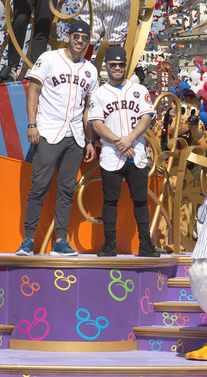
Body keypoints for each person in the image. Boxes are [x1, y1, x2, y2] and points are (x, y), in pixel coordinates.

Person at [16, 19, 98, 257]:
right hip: (49, 130)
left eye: (84, 39)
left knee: (66, 189)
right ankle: (28, 240)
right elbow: (33, 89)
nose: (80, 42)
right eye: (76, 37)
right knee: (39, 186)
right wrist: (31, 124)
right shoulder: (50, 58)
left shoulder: (90, 70)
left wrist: (90, 140)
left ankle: (60, 241)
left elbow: (88, 108)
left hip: (75, 135)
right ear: (68, 36)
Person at [87, 46, 157, 257]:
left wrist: (128, 140)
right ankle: (110, 244)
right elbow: (96, 124)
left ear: (126, 65)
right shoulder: (99, 93)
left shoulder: (139, 90)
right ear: (106, 67)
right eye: (113, 65)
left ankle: (145, 242)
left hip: (135, 152)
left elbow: (146, 117)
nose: (117, 68)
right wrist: (119, 141)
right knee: (110, 199)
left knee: (140, 199)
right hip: (111, 153)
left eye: (120, 64)